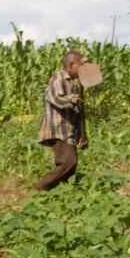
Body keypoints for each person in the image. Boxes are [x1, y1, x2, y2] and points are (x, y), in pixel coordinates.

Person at [35, 51, 87, 191]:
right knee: (68, 161)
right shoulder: (59, 79)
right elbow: (56, 99)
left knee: (71, 165)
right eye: (80, 66)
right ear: (71, 65)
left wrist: (81, 135)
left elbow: (76, 112)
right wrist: (73, 99)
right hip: (58, 128)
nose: (82, 69)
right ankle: (40, 188)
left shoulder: (74, 83)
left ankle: (58, 191)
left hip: (68, 129)